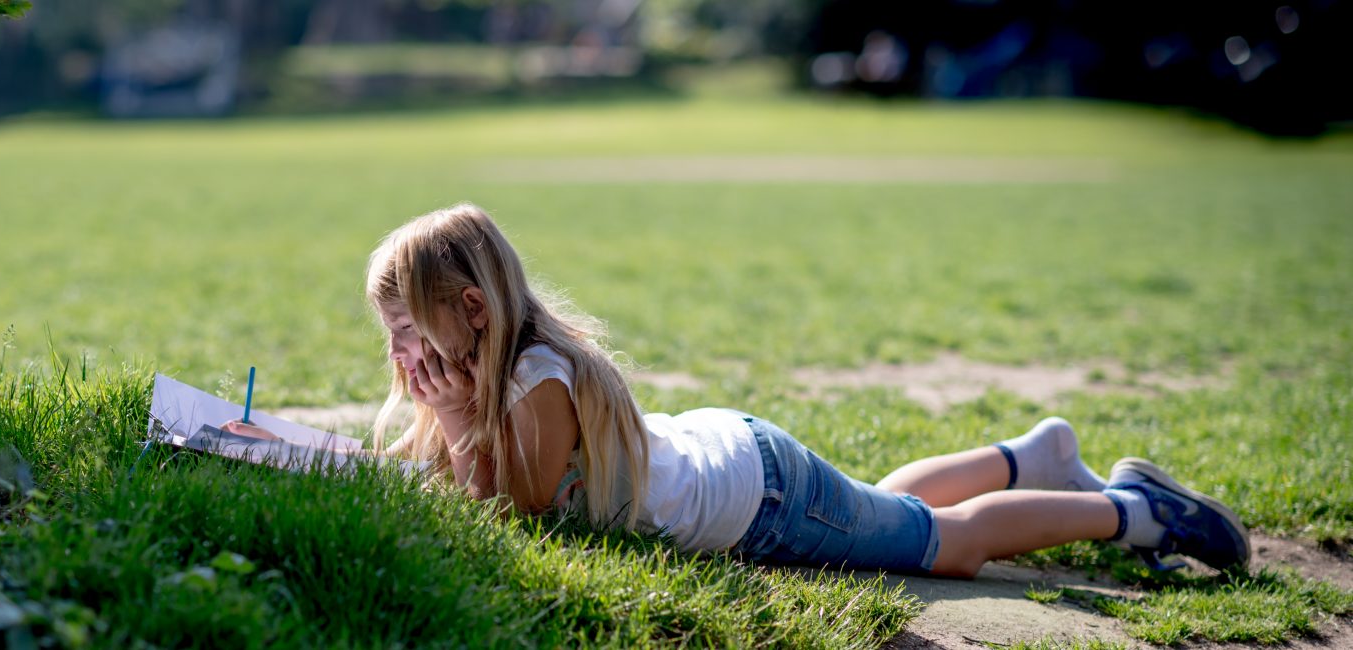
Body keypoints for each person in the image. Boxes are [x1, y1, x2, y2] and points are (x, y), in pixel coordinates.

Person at [225, 203, 1250, 578]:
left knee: (944, 544)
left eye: (412, 327)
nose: (401, 352)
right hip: (740, 465)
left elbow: (512, 514)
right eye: (389, 335)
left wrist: (449, 417)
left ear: (473, 310)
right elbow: (443, 483)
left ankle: (1138, 512)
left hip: (755, 493)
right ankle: (1038, 455)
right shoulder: (497, 375)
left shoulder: (533, 381)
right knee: (881, 505)